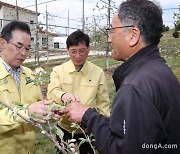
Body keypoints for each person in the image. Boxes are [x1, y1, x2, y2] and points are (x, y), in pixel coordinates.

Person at [63, 0, 180, 154]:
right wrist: (91, 117)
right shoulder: (160, 69)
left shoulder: (134, 87)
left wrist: (89, 117)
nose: (109, 38)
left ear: (133, 35)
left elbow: (125, 149)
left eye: (112, 30)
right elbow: (135, 132)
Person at [0, 20, 60, 154]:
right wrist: (26, 113)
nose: (23, 53)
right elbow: (28, 111)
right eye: (19, 46)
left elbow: (38, 104)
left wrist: (50, 109)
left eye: (27, 48)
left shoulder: (29, 75)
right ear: (3, 43)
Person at [47, 30, 110, 153]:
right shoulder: (58, 71)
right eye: (73, 51)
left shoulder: (98, 73)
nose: (77, 56)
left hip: (86, 129)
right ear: (67, 50)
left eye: (81, 51)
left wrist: (103, 126)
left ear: (88, 49)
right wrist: (63, 95)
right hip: (64, 127)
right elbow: (52, 91)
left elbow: (103, 103)